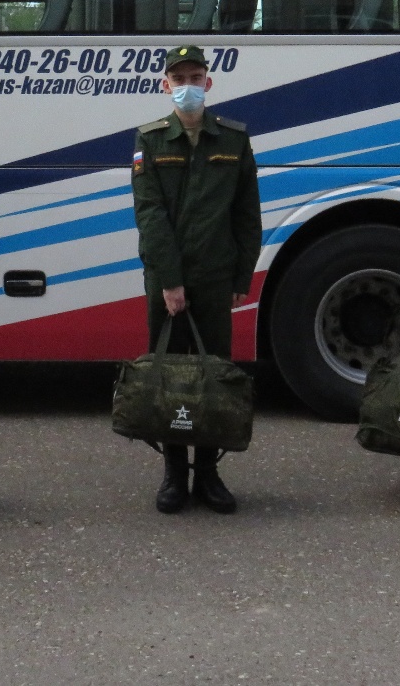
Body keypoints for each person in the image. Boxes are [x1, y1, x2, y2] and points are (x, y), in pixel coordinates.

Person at [131, 45, 262, 514]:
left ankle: (207, 473)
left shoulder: (233, 139)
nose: (186, 86)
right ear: (165, 85)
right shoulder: (150, 140)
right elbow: (150, 215)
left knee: (213, 375)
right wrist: (170, 281)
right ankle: (173, 474)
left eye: (194, 77)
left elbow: (247, 214)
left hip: (214, 276)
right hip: (165, 279)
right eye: (178, 78)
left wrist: (241, 276)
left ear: (208, 82)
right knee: (169, 376)